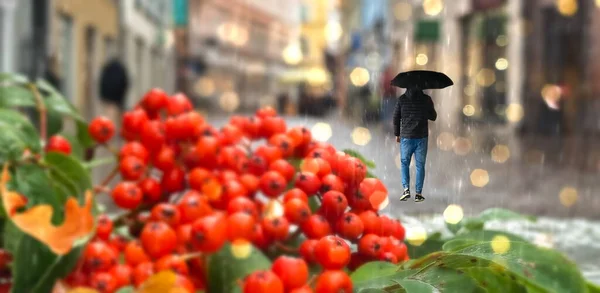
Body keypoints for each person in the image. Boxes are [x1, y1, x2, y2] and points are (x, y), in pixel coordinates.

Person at [393, 86, 437, 202]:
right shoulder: (426, 99)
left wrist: (397, 134)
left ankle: (406, 189)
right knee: (420, 165)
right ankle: (418, 193)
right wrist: (424, 110)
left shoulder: (401, 99)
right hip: (421, 137)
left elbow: (396, 117)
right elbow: (433, 117)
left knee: (404, 163)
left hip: (406, 137)